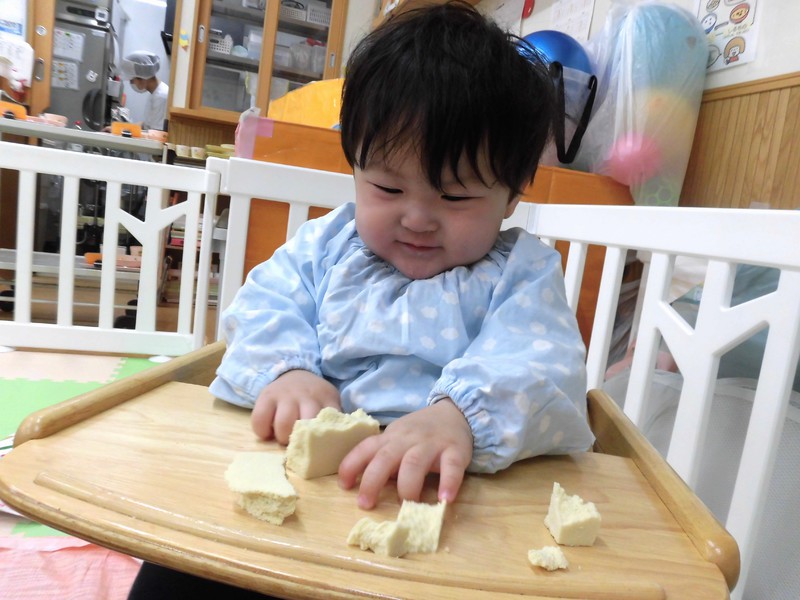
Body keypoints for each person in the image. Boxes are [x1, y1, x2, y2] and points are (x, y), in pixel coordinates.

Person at [128, 2, 594, 597]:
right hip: (306, 488)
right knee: (175, 565)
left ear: (512, 195)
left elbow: (542, 364)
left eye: (455, 197)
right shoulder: (327, 247)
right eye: (388, 188)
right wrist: (289, 371)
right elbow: (265, 304)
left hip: (434, 509)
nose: (417, 218)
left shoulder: (520, 273)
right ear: (354, 168)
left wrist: (459, 418)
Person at [118, 50, 169, 131]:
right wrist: (120, 129)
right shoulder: (155, 93)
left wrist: (123, 131)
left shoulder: (161, 96)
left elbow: (156, 133)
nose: (132, 84)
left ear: (142, 78)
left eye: (132, 80)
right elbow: (145, 124)